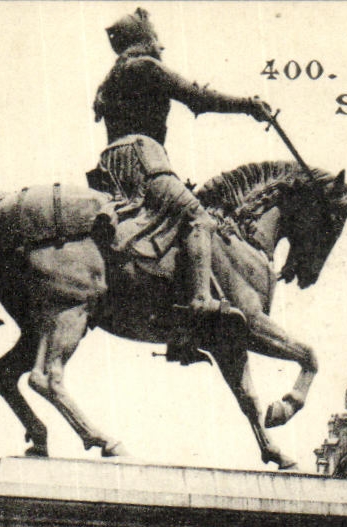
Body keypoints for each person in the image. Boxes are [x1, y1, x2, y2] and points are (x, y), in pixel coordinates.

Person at [88, 7, 274, 360]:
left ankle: (182, 334)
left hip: (113, 167)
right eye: (155, 39)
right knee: (198, 218)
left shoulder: (112, 79)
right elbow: (197, 97)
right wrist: (249, 106)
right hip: (144, 158)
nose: (160, 45)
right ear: (143, 41)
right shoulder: (145, 67)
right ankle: (201, 302)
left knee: (169, 231)